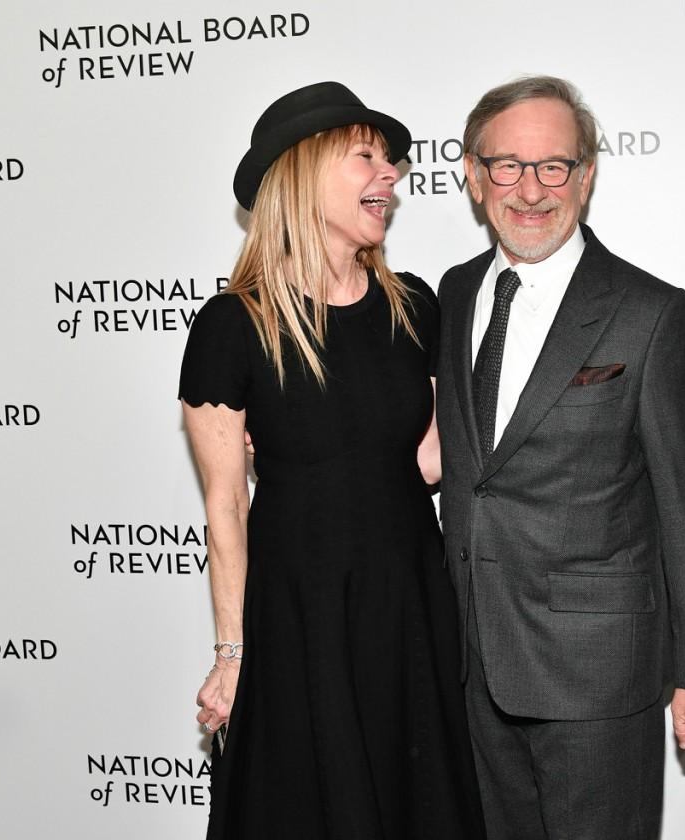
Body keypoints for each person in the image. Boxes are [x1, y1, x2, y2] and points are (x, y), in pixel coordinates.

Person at [435, 75, 685, 840]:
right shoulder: (453, 291)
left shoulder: (648, 313)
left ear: (588, 174)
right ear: (474, 177)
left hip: (597, 675)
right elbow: (456, 454)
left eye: (554, 166)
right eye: (507, 165)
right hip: (467, 662)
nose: (531, 190)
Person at [179, 81, 484, 840]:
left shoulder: (415, 305)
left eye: (392, 162)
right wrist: (231, 653)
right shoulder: (232, 325)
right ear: (305, 171)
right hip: (301, 609)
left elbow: (430, 464)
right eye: (367, 157)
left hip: (410, 599)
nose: (391, 176)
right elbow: (224, 506)